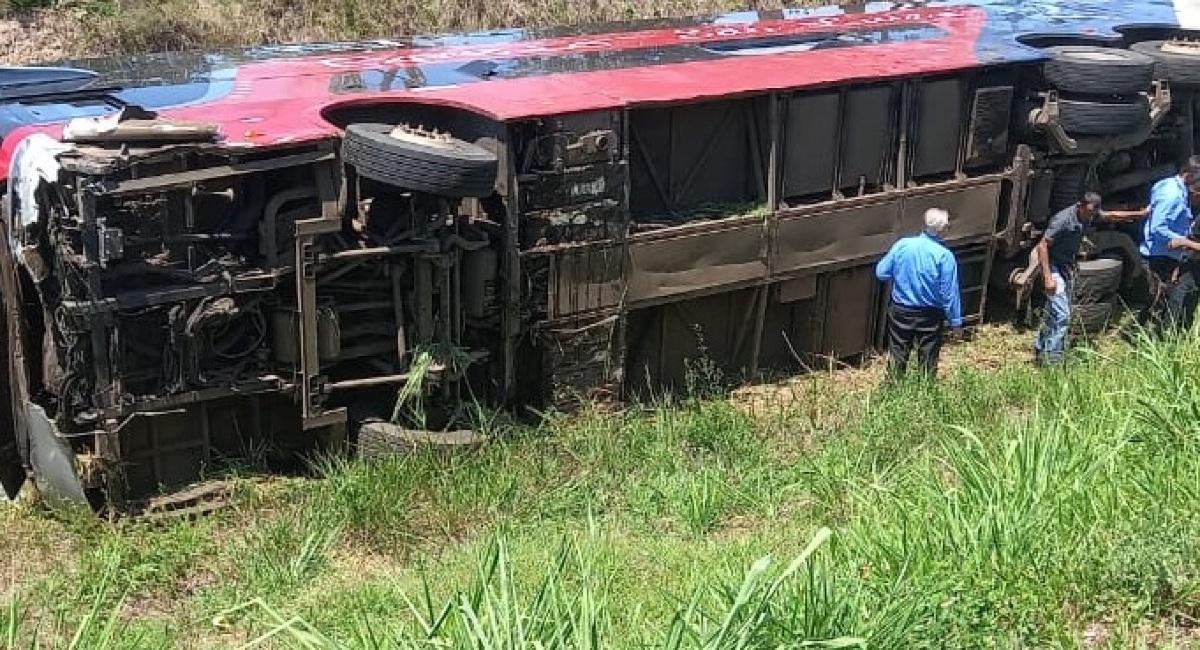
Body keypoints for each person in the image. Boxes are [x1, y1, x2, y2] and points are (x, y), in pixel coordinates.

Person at [875, 208, 962, 377]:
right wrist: (956, 323)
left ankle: (894, 388)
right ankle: (925, 391)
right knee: (928, 358)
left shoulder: (903, 245)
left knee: (898, 353)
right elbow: (949, 294)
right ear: (943, 229)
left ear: (924, 224)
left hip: (901, 310)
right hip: (930, 315)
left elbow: (881, 272)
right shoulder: (945, 256)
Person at [1033, 192, 1102, 365]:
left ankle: (1041, 347)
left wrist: (1138, 214)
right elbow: (1042, 246)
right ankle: (1053, 359)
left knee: (1053, 313)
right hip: (1053, 266)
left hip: (1065, 266)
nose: (1091, 217)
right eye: (1089, 212)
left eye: (1094, 213)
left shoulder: (1089, 215)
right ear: (1080, 206)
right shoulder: (1063, 220)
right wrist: (1048, 278)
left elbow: (1110, 216)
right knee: (1063, 315)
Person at [1135, 159, 1200, 333]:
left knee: (1159, 298)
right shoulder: (1172, 194)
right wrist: (1183, 240)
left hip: (1164, 253)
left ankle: (1146, 335)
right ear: (1189, 175)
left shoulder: (1167, 185)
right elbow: (1158, 227)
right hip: (1161, 254)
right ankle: (1145, 338)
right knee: (1158, 299)